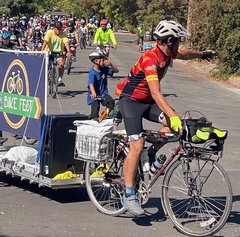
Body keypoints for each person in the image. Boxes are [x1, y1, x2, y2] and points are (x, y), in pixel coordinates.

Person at [115, 20, 213, 216]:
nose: (178, 46)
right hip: (130, 101)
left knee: (175, 126)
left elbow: (184, 54)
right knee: (137, 144)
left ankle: (151, 155)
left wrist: (203, 54)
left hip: (147, 101)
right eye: (177, 42)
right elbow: (157, 93)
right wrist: (172, 114)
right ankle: (128, 193)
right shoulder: (150, 59)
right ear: (168, 41)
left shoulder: (167, 53)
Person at [87, 50, 119, 120]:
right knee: (94, 112)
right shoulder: (92, 72)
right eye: (102, 59)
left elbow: (116, 70)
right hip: (94, 95)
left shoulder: (104, 69)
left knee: (111, 103)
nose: (104, 61)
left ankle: (102, 116)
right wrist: (93, 93)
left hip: (103, 93)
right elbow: (90, 84)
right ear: (96, 61)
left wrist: (111, 64)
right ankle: (93, 119)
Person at [40, 21, 71, 87]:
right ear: (54, 28)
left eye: (60, 29)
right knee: (47, 64)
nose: (58, 31)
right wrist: (42, 51)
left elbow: (66, 43)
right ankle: (47, 77)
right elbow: (45, 42)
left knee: (61, 64)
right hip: (49, 51)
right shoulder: (49, 33)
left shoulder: (63, 34)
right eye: (57, 29)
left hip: (59, 52)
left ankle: (59, 79)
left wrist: (68, 51)